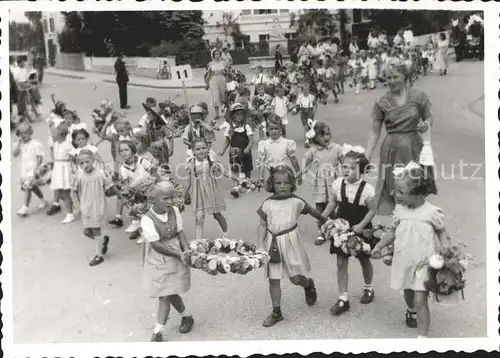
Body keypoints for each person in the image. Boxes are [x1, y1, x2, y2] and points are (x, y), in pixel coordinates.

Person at [372, 162, 450, 338]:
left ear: (418, 194)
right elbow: (392, 232)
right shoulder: (400, 210)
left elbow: (442, 231)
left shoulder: (431, 212)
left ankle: (422, 339)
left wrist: (447, 249)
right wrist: (379, 246)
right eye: (395, 190)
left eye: (400, 191)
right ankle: (411, 310)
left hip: (424, 263)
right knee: (408, 292)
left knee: (420, 299)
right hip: (404, 259)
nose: (394, 194)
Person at [257, 165, 327, 327]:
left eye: (286, 183)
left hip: (290, 243)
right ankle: (276, 312)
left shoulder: (296, 202)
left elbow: (315, 213)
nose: (282, 186)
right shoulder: (267, 204)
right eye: (278, 183)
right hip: (272, 244)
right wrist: (260, 245)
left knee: (295, 279)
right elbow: (262, 226)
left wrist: (329, 223)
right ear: (272, 184)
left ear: (292, 184)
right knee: (273, 280)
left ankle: (308, 284)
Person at [365, 63, 437, 216]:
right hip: (392, 149)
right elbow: (374, 131)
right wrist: (367, 155)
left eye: (395, 77)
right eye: (388, 77)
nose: (391, 81)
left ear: (405, 77)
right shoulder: (381, 102)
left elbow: (429, 118)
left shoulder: (418, 96)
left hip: (413, 146)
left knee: (415, 185)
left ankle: (416, 223)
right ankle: (399, 225)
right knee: (395, 187)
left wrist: (426, 124)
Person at [321, 148, 377, 315]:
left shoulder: (367, 189)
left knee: (364, 259)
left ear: (361, 170)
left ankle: (368, 288)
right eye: (344, 166)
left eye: (351, 168)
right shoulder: (338, 184)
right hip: (342, 225)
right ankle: (343, 298)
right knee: (340, 261)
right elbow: (332, 202)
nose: (346, 170)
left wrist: (361, 226)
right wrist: (323, 215)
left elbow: (372, 210)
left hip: (360, 225)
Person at [141, 181, 194, 342]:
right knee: (165, 294)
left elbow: (179, 231)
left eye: (172, 197)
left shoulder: (174, 211)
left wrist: (185, 250)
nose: (170, 202)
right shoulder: (147, 219)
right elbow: (156, 245)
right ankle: (159, 331)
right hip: (160, 257)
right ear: (153, 200)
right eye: (165, 198)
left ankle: (183, 318)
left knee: (170, 290)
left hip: (176, 253)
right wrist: (178, 254)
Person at [184, 138, 240, 240]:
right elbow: (188, 181)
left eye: (203, 148)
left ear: (208, 148)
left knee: (217, 214)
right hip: (199, 193)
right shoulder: (191, 163)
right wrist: (184, 194)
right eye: (198, 149)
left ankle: (225, 234)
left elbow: (225, 172)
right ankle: (198, 241)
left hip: (211, 191)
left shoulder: (212, 161)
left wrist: (238, 179)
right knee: (199, 217)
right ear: (193, 151)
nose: (201, 151)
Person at [296, 122, 342, 246]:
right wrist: (299, 174)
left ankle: (336, 229)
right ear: (315, 137)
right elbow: (305, 164)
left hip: (333, 182)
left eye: (327, 134)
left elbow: (345, 162)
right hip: (319, 183)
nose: (326, 137)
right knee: (320, 207)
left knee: (332, 206)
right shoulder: (313, 151)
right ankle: (321, 232)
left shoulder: (337, 148)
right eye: (322, 135)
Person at [73, 150, 111, 266]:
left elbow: (108, 188)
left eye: (87, 162)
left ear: (93, 161)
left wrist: (110, 178)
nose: (85, 165)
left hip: (97, 205)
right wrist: (77, 206)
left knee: (96, 230)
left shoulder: (99, 174)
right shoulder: (78, 175)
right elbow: (74, 192)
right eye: (82, 163)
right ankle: (102, 241)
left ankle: (99, 255)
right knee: (86, 231)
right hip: (85, 206)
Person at [13, 122, 49, 216]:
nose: (23, 135)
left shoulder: (35, 144)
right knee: (32, 187)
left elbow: (39, 156)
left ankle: (24, 207)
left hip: (33, 169)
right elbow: (15, 154)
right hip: (24, 169)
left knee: (27, 187)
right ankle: (43, 201)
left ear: (30, 133)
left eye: (25, 133)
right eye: (21, 133)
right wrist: (18, 142)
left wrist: (36, 169)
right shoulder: (20, 144)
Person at [46, 120, 75, 223]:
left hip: (64, 170)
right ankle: (71, 206)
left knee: (65, 193)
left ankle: (70, 214)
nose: (53, 134)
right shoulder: (56, 143)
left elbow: (74, 156)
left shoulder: (67, 145)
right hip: (58, 168)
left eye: (55, 132)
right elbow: (54, 155)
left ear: (62, 134)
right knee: (60, 191)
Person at [257, 117, 301, 182]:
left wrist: (298, 173)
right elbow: (261, 162)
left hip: (284, 173)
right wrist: (261, 177)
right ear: (267, 130)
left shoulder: (287, 143)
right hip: (270, 174)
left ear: (281, 129)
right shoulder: (263, 144)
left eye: (276, 129)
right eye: (271, 129)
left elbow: (293, 159)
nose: (274, 131)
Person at [219, 103, 254, 183]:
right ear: (232, 116)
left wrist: (248, 148)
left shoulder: (246, 127)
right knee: (235, 167)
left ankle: (248, 181)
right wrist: (223, 150)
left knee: (247, 167)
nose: (239, 116)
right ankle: (237, 182)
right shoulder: (230, 127)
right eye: (237, 114)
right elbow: (227, 140)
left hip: (245, 151)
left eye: (241, 115)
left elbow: (251, 140)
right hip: (234, 152)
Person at [206, 49, 227, 120]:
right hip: (214, 80)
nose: (217, 55)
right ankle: (217, 114)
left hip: (222, 79)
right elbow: (208, 74)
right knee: (215, 97)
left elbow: (227, 72)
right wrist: (207, 84)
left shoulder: (223, 63)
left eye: (218, 54)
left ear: (220, 55)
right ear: (213, 55)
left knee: (224, 96)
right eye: (216, 54)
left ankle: (226, 112)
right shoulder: (210, 64)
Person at [295, 83, 317, 148]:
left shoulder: (312, 97)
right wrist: (296, 111)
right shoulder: (300, 97)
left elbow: (315, 105)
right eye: (305, 90)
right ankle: (306, 141)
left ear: (309, 90)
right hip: (303, 112)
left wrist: (314, 112)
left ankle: (310, 137)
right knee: (305, 127)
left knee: (310, 126)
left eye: (307, 89)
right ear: (302, 90)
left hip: (310, 112)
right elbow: (297, 106)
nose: (306, 91)